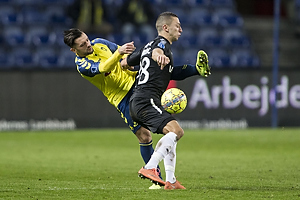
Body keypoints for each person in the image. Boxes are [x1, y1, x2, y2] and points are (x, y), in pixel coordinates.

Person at [63, 28, 210, 189]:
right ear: (74, 50)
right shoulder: (82, 65)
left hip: (137, 82)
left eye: (87, 39)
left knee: (162, 74)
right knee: (145, 136)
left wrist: (128, 60)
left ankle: (169, 179)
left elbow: (123, 55)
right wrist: (119, 54)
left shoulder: (99, 42)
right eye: (82, 44)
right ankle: (158, 180)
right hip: (122, 97)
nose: (88, 44)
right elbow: (104, 67)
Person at [127, 12, 210, 190]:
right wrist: (158, 56)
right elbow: (158, 50)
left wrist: (196, 69)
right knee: (177, 132)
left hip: (140, 100)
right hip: (146, 100)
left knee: (171, 134)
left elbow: (125, 63)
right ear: (165, 28)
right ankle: (149, 167)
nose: (180, 28)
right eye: (177, 25)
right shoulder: (160, 44)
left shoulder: (146, 47)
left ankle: (171, 181)